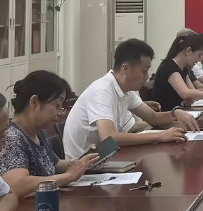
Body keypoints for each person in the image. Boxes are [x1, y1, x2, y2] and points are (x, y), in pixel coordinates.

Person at [62, 39, 192, 160]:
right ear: (125, 68)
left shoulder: (126, 90)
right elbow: (109, 138)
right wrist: (158, 136)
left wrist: (175, 112)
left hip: (104, 158)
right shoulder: (102, 91)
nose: (147, 77)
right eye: (144, 71)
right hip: (82, 165)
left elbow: (152, 117)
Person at [0, 71, 99, 198]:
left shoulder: (37, 132)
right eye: (57, 105)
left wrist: (82, 162)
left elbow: (54, 163)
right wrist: (69, 176)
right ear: (34, 102)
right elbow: (17, 185)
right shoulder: (11, 137)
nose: (60, 113)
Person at [152, 33, 203, 111]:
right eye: (199, 55)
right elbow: (185, 93)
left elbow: (192, 91)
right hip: (166, 114)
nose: (199, 60)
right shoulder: (169, 67)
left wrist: (192, 98)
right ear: (188, 51)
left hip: (178, 111)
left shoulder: (184, 69)